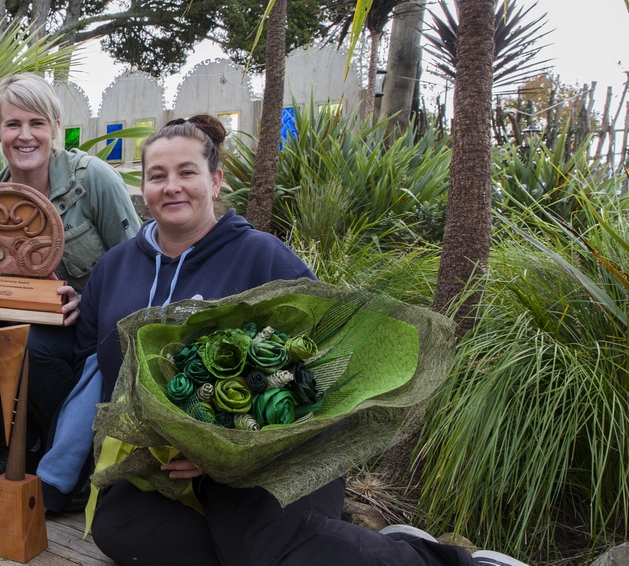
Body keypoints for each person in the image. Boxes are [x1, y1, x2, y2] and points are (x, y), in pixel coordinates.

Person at [81, 115, 526, 566]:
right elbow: (89, 366)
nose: (171, 186)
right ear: (145, 187)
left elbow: (315, 371)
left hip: (276, 455)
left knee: (267, 548)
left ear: (215, 182)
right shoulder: (113, 268)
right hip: (162, 467)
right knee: (120, 530)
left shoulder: (264, 257)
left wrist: (221, 450)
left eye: (187, 172)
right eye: (158, 176)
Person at [0, 73, 142, 502]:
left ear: (55, 126)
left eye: (37, 123)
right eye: (13, 124)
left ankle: (76, 459)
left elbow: (136, 263)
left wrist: (86, 299)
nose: (25, 135)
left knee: (31, 347)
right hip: (33, 318)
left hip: (95, 329)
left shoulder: (92, 179)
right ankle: (25, 444)